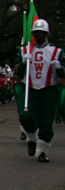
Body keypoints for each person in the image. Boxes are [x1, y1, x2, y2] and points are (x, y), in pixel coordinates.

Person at [16, 19, 64, 163]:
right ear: (32, 33)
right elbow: (17, 72)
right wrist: (23, 62)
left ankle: (42, 151)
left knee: (46, 121)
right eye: (36, 32)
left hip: (48, 89)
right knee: (26, 117)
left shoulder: (57, 51)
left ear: (46, 34)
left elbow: (64, 73)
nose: (39, 34)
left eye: (42, 32)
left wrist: (59, 68)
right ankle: (31, 138)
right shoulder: (24, 50)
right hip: (30, 88)